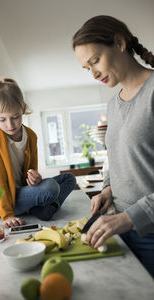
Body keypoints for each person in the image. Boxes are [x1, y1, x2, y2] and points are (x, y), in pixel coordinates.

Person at [72, 15, 154, 277]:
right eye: (87, 68)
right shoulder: (113, 104)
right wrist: (108, 188)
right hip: (121, 229)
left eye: (95, 61)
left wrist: (128, 218)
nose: (93, 73)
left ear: (119, 43)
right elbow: (120, 158)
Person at [0, 78, 76, 228]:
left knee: (69, 178)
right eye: (2, 119)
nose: (10, 125)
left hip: (22, 193)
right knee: (51, 187)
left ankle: (47, 208)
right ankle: (41, 207)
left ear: (23, 109)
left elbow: (30, 175)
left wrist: (35, 179)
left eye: (15, 117)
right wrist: (7, 215)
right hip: (2, 203)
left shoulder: (31, 136)